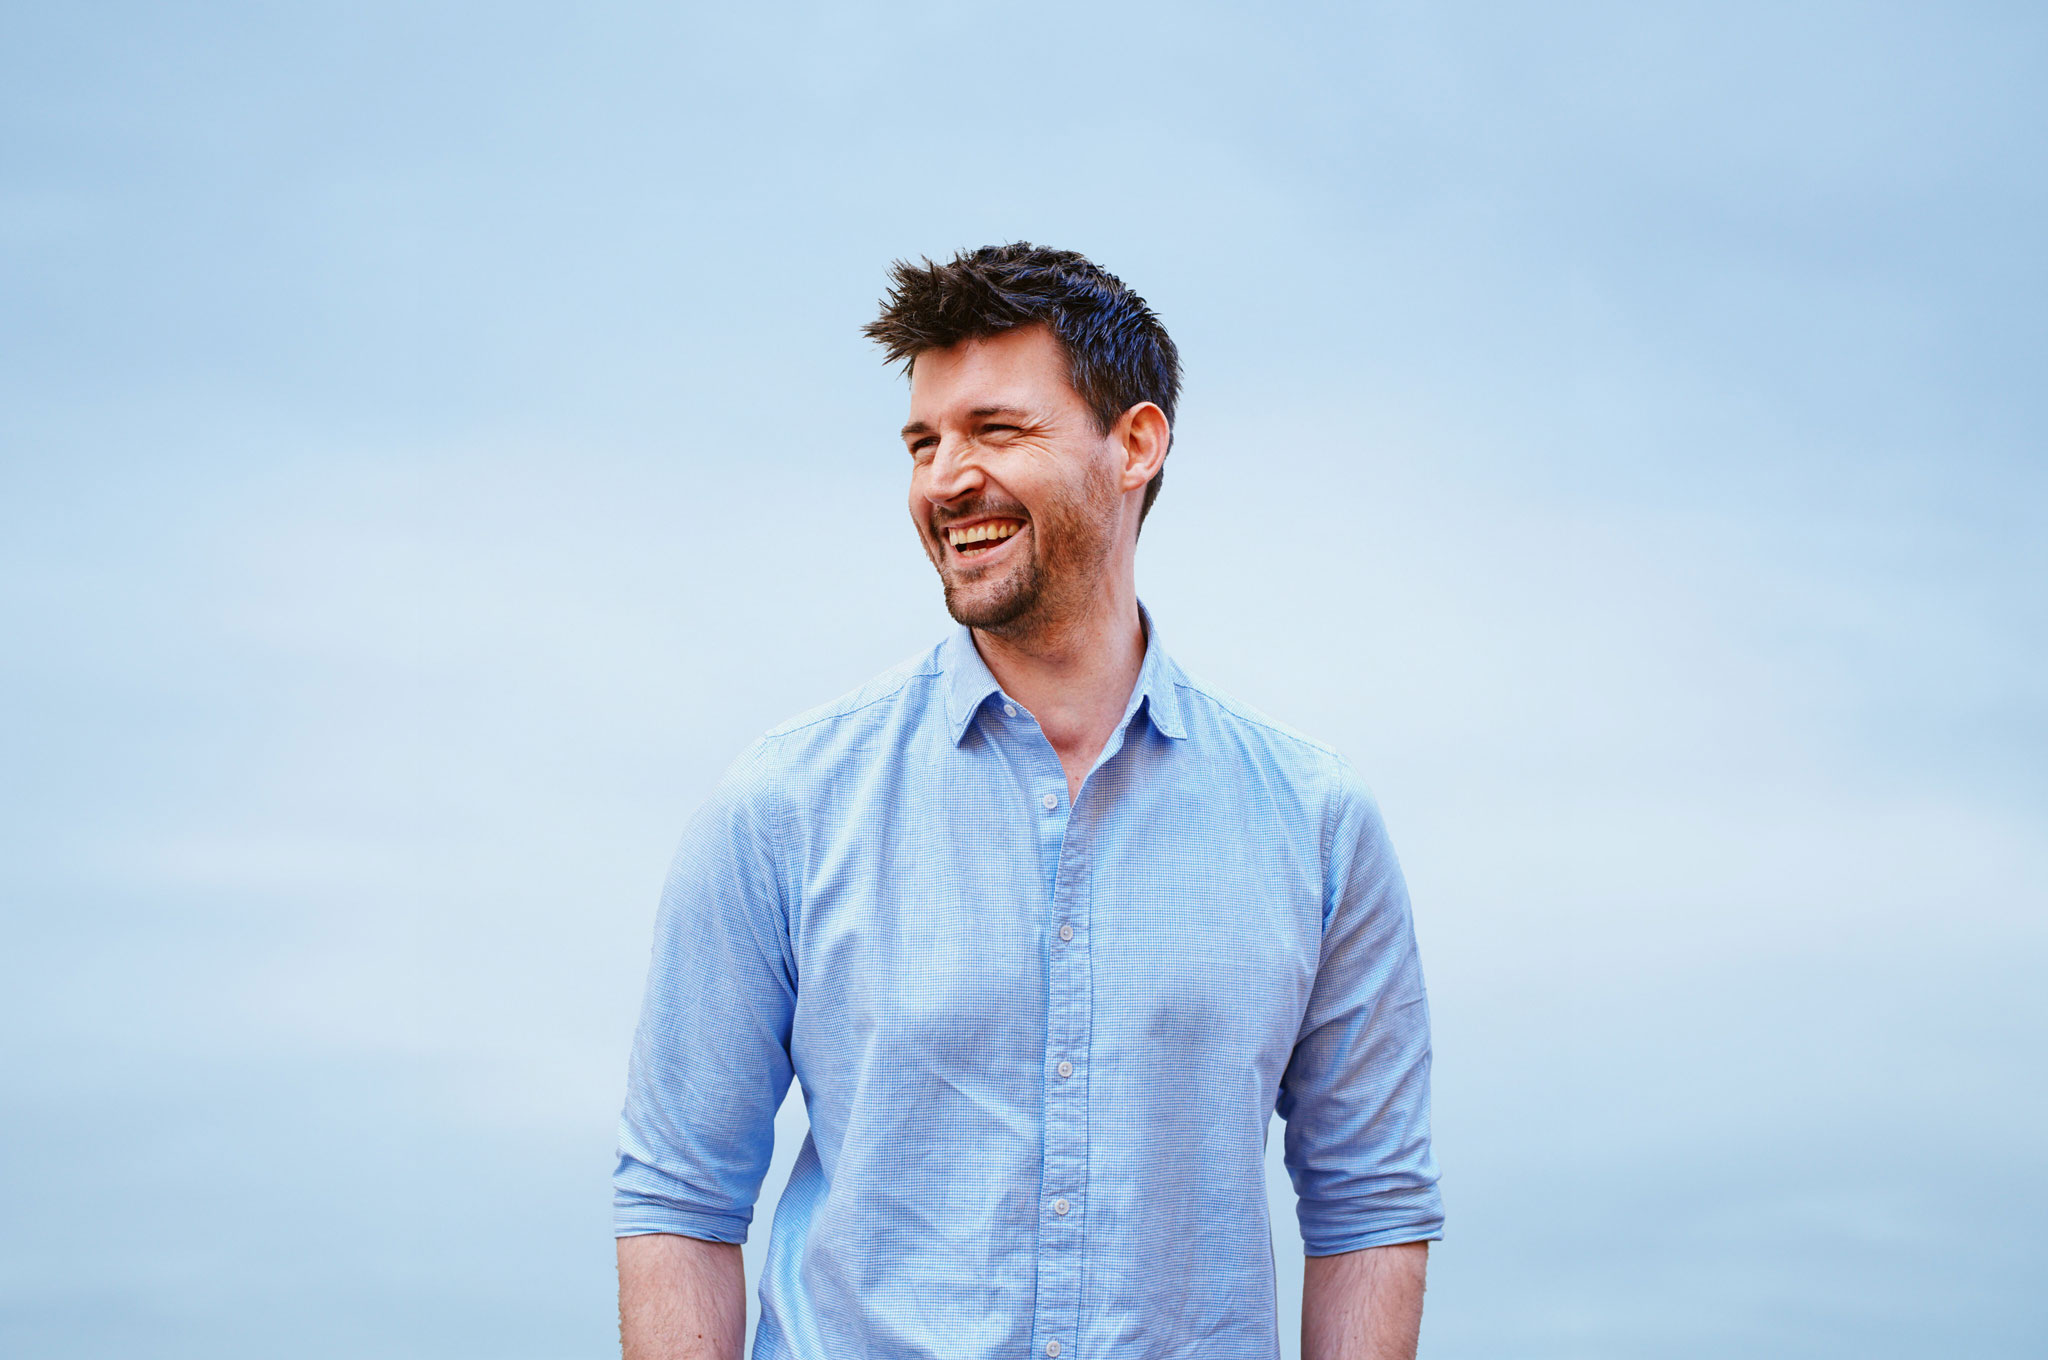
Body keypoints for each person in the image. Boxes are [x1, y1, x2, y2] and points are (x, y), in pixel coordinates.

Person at [613, 242, 1443, 1360]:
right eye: (924, 442)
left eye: (996, 431)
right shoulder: (782, 807)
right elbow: (679, 1196)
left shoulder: (1315, 824)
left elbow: (1370, 1205)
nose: (945, 479)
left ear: (1134, 445)